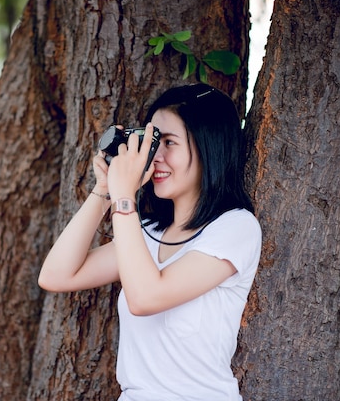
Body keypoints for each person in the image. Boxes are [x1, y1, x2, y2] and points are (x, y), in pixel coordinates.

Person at [38, 83, 262, 401]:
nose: (155, 156)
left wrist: (124, 197)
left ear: (209, 146)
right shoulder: (147, 231)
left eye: (169, 142)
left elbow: (145, 298)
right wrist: (104, 190)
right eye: (152, 142)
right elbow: (56, 276)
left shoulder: (236, 228)